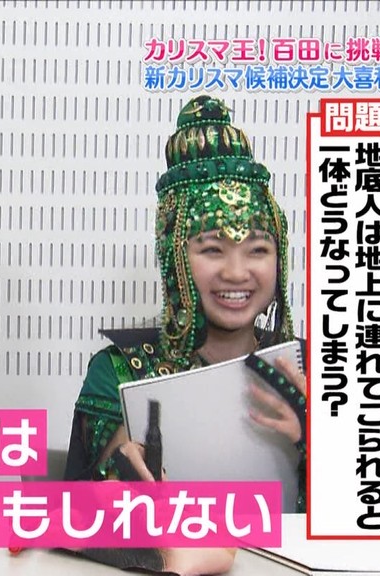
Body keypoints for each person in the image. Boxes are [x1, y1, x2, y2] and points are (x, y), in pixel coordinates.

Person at [62, 95, 308, 575]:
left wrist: (317, 442)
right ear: (175, 257)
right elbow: (73, 521)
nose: (237, 272)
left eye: (257, 249)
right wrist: (120, 476)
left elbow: (362, 526)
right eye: (213, 249)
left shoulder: (318, 372)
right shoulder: (119, 372)